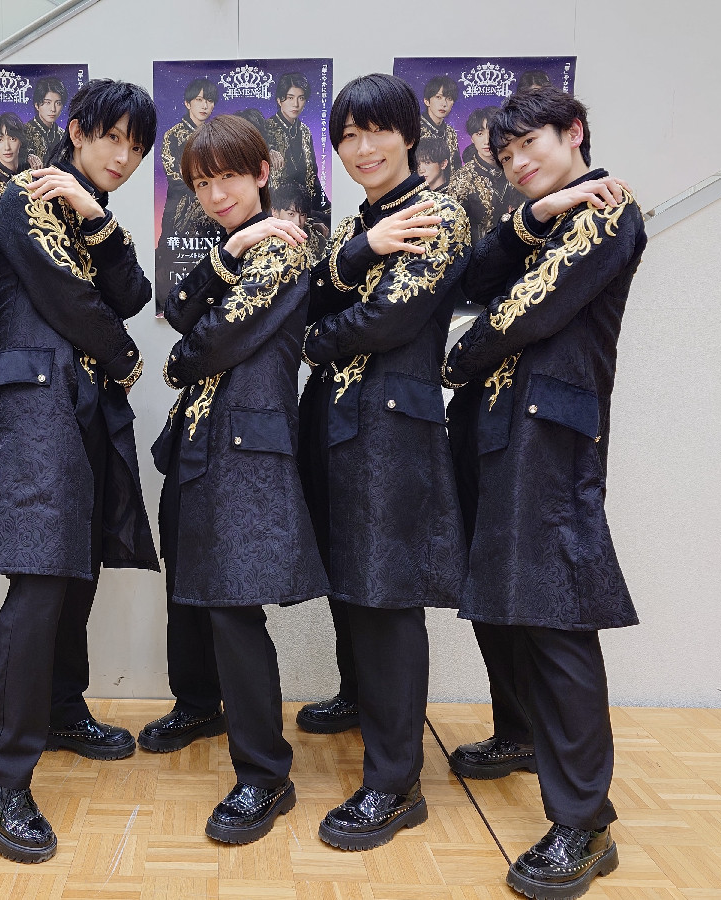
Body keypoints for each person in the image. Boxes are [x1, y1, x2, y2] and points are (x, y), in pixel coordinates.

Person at [441, 86, 643, 899]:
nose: (518, 161)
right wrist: (530, 216)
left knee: (554, 610)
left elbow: (525, 310)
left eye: (531, 144)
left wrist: (456, 361)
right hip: (496, 427)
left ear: (574, 132)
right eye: (506, 154)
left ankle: (585, 823)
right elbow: (473, 279)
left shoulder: (607, 208)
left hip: (550, 433)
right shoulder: (548, 216)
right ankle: (520, 734)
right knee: (499, 597)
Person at [0, 78, 159, 864]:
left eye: (136, 147)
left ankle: (61, 708)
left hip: (84, 410)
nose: (123, 157)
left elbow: (132, 290)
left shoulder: (90, 209)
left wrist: (99, 220)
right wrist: (128, 358)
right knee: (40, 580)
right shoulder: (24, 196)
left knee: (77, 571)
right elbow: (72, 301)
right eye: (112, 138)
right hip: (35, 406)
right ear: (76, 131)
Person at [298, 72, 471, 851]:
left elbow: (386, 318)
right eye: (348, 136)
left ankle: (396, 783)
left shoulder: (441, 214)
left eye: (376, 131)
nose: (363, 148)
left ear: (408, 134)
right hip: (334, 422)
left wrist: (313, 340)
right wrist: (358, 253)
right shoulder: (358, 226)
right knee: (349, 578)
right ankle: (359, 696)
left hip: (393, 428)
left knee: (387, 593)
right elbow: (311, 295)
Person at [149, 113, 328, 844]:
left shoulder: (284, 247)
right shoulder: (236, 248)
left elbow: (205, 344)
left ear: (261, 173)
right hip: (198, 440)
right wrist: (227, 256)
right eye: (202, 183)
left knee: (232, 605)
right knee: (190, 584)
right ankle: (198, 704)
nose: (216, 194)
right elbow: (176, 309)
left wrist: (178, 358)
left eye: (228, 176)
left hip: (248, 446)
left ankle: (264, 773)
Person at [156, 77, 223, 298]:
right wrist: (205, 188)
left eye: (209, 101)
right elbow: (174, 175)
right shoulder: (172, 135)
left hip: (214, 209)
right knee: (172, 262)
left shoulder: (217, 136)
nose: (205, 105)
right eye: (199, 100)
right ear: (187, 103)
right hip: (179, 207)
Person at [448, 106, 525, 244]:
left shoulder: (517, 166)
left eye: (492, 132)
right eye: (479, 134)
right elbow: (453, 229)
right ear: (472, 138)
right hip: (479, 252)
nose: (487, 141)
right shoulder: (462, 178)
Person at [265, 72, 331, 222]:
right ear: (279, 100)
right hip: (277, 207)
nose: (296, 104)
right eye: (290, 98)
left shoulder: (305, 131)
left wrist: (325, 206)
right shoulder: (266, 128)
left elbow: (312, 175)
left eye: (301, 98)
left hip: (304, 205)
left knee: (328, 219)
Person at [271, 181, 327, 263]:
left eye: (302, 215)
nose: (298, 222)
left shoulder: (313, 234)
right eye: (291, 214)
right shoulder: (267, 243)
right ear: (275, 212)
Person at [419, 74, 460, 176]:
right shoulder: (414, 129)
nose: (444, 104)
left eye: (449, 98)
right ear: (426, 101)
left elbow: (457, 167)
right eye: (438, 97)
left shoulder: (450, 132)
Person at [22, 75, 68, 168]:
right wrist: (26, 156)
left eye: (58, 103)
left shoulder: (63, 135)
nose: (53, 109)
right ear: (37, 105)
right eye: (48, 102)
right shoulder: (23, 132)